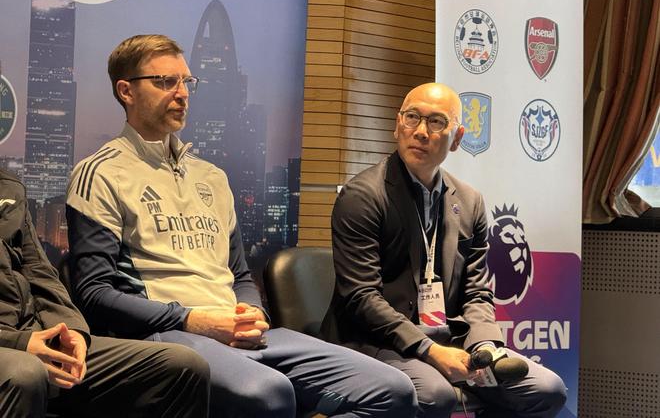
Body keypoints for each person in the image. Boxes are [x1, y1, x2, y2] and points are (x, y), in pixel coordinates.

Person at [65, 34, 416, 418]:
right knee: (269, 394)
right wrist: (192, 319)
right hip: (166, 336)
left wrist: (252, 312)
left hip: (237, 332)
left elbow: (240, 275)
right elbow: (94, 293)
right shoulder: (101, 173)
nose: (182, 93)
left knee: (392, 390)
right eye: (165, 81)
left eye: (186, 81)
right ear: (126, 91)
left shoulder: (212, 177)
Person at [321, 83, 568, 417]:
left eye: (436, 122)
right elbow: (361, 296)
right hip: (375, 341)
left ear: (457, 138)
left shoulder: (469, 201)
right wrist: (429, 350)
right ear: (397, 125)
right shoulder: (362, 196)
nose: (421, 131)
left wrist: (484, 346)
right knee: (435, 394)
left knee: (546, 389)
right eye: (412, 117)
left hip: (449, 339)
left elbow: (476, 292)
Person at [0, 169, 210, 418]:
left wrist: (73, 331)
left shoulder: (8, 186)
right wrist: (18, 343)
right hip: (13, 347)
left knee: (182, 366)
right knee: (26, 373)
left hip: (34, 332)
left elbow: (40, 272)